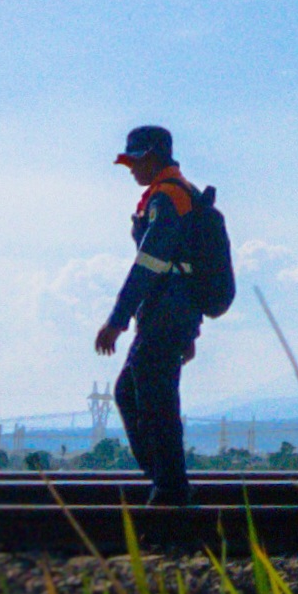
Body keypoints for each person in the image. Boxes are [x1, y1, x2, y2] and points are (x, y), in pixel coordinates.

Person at [95, 123, 200, 505]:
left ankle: (171, 488)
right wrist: (190, 332)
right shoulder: (173, 195)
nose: (131, 169)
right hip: (171, 312)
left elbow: (151, 264)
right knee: (137, 391)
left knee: (149, 394)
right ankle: (168, 483)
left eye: (134, 161)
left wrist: (117, 320)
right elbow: (185, 266)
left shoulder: (168, 198)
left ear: (152, 156)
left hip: (167, 313)